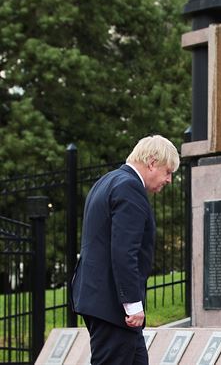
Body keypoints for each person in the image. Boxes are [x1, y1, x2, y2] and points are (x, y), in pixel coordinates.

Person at [71, 135, 180, 365]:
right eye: (168, 171)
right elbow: (124, 252)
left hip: (100, 300)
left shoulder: (108, 181)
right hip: (114, 307)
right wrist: (132, 304)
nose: (169, 179)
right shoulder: (130, 187)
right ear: (152, 162)